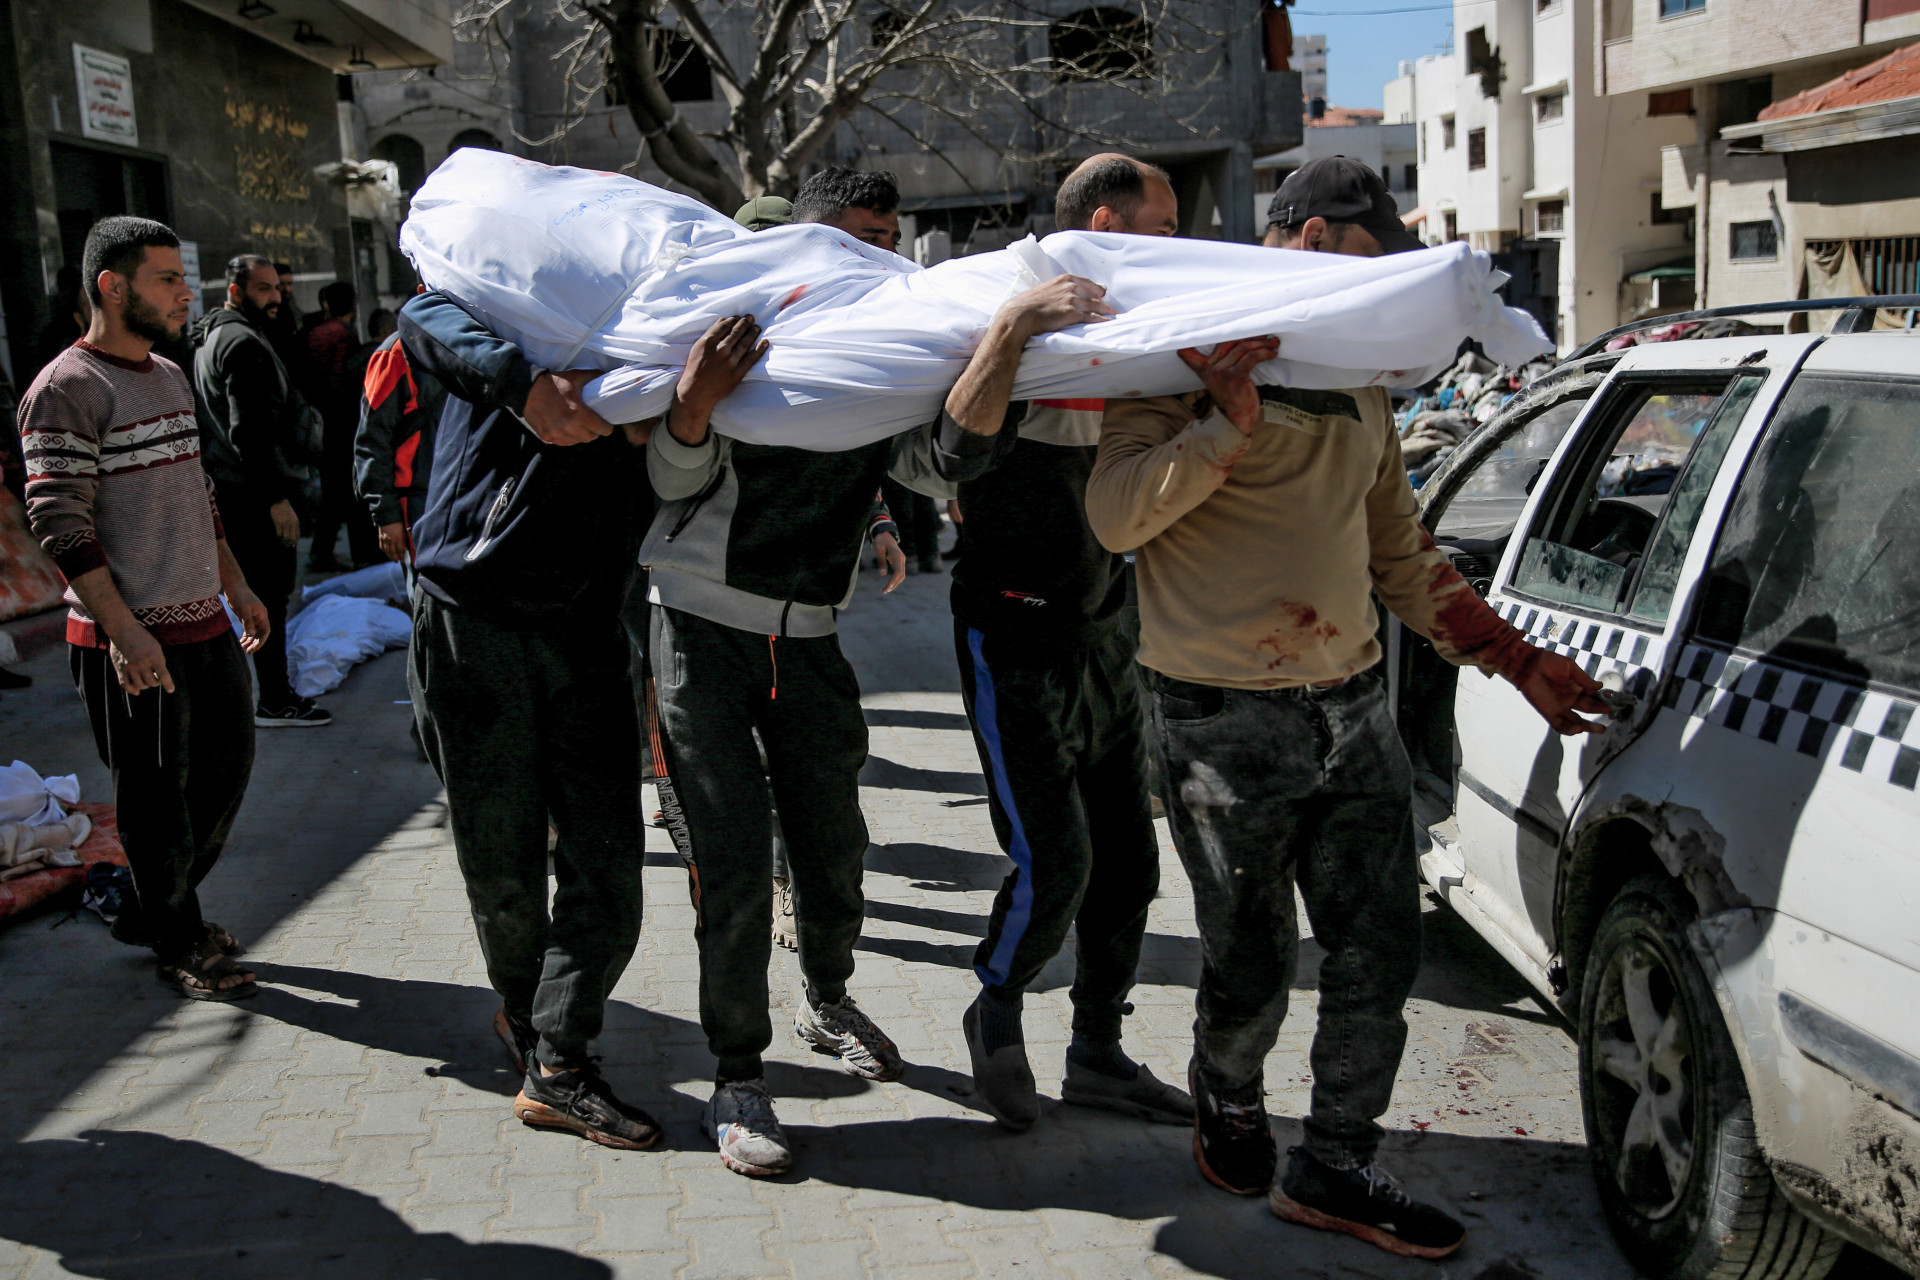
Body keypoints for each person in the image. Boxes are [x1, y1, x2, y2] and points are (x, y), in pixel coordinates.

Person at [1083, 156, 1608, 1260]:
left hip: (1352, 706)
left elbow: (1398, 550)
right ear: (1315, 241)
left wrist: (1517, 660)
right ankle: (1227, 1091)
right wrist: (1221, 423)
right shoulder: (1179, 351)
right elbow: (1118, 515)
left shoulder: (1359, 378)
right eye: (1377, 266)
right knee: (1252, 956)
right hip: (1219, 720)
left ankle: (1334, 1161)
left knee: (1378, 950)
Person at [640, 165, 1089, 1178]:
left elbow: (938, 462)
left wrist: (1007, 341)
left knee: (835, 840)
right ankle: (735, 1069)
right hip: (701, 629)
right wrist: (693, 406)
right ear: (809, 241)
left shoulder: (889, 353)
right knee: (734, 863)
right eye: (861, 235)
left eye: (890, 236)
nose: (881, 253)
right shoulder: (743, 327)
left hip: (807, 638)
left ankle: (827, 994)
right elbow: (670, 477)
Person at [396, 280, 759, 1152]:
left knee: (606, 860)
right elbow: (424, 316)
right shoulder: (521, 306)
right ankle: (543, 1043)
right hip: (471, 616)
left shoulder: (682, 323)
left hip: (593, 627)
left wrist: (683, 410)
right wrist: (523, 384)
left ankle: (551, 1046)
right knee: (504, 856)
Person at [941, 154, 1187, 1134]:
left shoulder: (1148, 335)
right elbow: (957, 453)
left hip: (1104, 633)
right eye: (1163, 225)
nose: (1177, 241)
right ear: (1104, 222)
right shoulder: (1015, 317)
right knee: (1056, 860)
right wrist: (1012, 329)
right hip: (1013, 632)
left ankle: (1098, 1055)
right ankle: (994, 1012)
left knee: (1130, 864)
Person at [17, 216, 271, 999]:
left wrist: (236, 585)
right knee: (155, 795)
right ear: (112, 286)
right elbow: (58, 522)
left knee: (226, 770)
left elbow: (198, 496)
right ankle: (178, 935)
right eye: (165, 278)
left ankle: (151, 906)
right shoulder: (66, 389)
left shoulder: (167, 374)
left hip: (203, 622)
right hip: (127, 638)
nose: (182, 291)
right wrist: (125, 632)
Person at [194, 254, 329, 728]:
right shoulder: (243, 345)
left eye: (277, 288)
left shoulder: (218, 336)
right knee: (267, 598)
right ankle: (274, 698)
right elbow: (249, 433)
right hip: (253, 498)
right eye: (263, 290)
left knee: (253, 597)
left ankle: (261, 694)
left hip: (234, 493)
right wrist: (276, 500)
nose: (276, 298)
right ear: (235, 292)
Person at [353, 309, 442, 565]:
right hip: (417, 502)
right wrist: (387, 515)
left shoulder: (479, 339)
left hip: (464, 495)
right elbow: (372, 438)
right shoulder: (397, 351)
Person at [304, 281, 378, 570]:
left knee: (333, 494)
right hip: (344, 425)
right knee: (349, 491)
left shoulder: (316, 334)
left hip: (325, 425)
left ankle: (322, 552)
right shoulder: (344, 336)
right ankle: (361, 552)